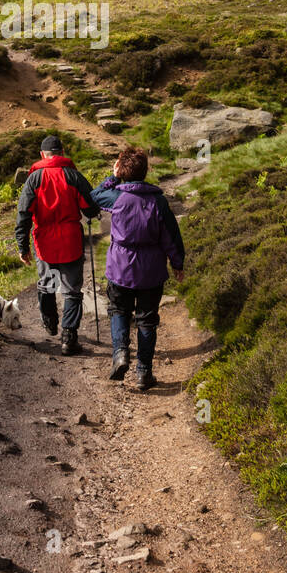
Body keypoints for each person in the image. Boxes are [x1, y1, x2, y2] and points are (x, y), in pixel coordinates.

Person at [91, 146, 185, 391]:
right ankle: (143, 373)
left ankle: (121, 354)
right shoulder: (158, 201)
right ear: (146, 171)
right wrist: (178, 263)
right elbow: (171, 236)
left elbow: (95, 195)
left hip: (120, 268)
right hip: (151, 272)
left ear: (123, 171)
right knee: (147, 320)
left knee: (119, 310)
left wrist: (113, 176)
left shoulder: (116, 198)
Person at [15, 134, 99, 355]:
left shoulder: (33, 179)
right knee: (72, 290)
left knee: (47, 283)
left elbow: (23, 213)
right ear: (62, 153)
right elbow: (90, 208)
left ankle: (50, 320)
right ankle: (69, 337)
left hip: (44, 242)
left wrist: (22, 246)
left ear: (42, 155)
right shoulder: (74, 176)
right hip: (71, 239)